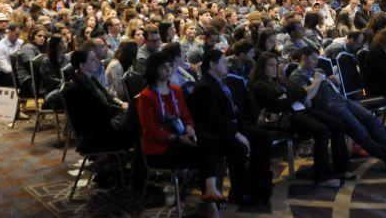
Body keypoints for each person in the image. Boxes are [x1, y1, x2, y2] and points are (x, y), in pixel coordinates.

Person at [289, 45, 386, 170]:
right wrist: (318, 81)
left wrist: (334, 83)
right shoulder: (297, 76)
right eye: (313, 59)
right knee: (360, 131)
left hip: (342, 100)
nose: (316, 62)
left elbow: (334, 90)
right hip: (329, 107)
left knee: (372, 120)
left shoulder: (318, 71)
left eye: (317, 59)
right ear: (303, 58)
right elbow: (306, 97)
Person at [137, 51, 225, 214]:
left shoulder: (175, 90)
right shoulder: (146, 97)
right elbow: (150, 132)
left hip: (180, 138)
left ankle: (210, 194)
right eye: (163, 68)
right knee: (204, 154)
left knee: (207, 142)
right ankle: (211, 202)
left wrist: (190, 127)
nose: (168, 71)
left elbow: (185, 116)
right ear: (154, 71)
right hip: (160, 148)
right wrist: (178, 138)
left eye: (170, 66)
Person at [249, 53, 352, 187]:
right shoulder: (260, 86)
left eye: (276, 65)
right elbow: (279, 105)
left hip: (298, 110)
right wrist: (293, 97)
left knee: (337, 123)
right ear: (262, 67)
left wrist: (292, 97)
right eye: (271, 65)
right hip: (283, 119)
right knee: (322, 131)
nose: (275, 68)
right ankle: (322, 177)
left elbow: (297, 93)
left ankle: (341, 168)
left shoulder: (280, 81)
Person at [190, 49, 273, 206]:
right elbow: (214, 120)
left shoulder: (222, 82)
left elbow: (232, 111)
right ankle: (238, 192)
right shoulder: (205, 87)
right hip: (214, 133)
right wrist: (237, 134)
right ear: (213, 65)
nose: (226, 64)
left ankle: (256, 184)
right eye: (223, 62)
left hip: (230, 126)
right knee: (239, 148)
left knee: (263, 137)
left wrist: (243, 128)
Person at [62, 48, 133, 153]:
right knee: (136, 125)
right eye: (93, 59)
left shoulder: (90, 78)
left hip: (104, 123)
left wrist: (121, 105)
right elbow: (101, 112)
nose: (97, 61)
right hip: (98, 134)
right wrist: (121, 110)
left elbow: (108, 97)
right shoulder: (79, 88)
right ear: (82, 66)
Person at [39, 34, 69, 110]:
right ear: (59, 45)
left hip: (65, 87)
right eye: (65, 41)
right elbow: (52, 82)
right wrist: (68, 85)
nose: (67, 43)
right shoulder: (46, 61)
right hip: (52, 90)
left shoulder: (66, 57)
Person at [0, 22, 24, 87]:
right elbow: (5, 69)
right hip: (5, 76)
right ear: (9, 32)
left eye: (19, 34)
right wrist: (20, 71)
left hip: (17, 70)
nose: (18, 37)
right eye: (16, 34)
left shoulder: (20, 42)